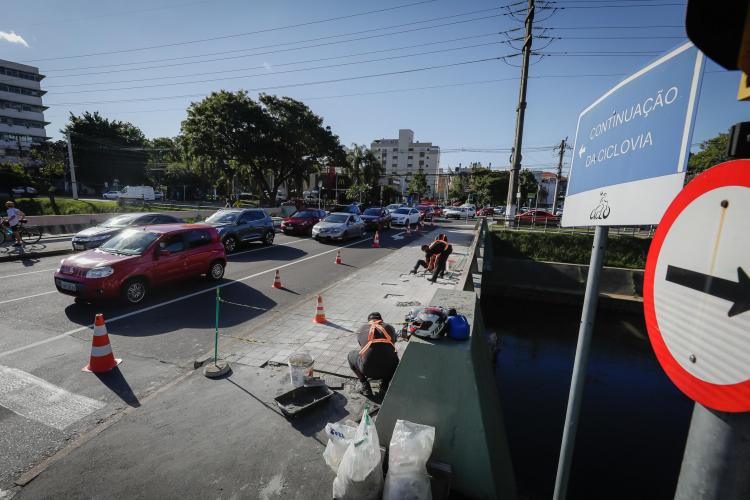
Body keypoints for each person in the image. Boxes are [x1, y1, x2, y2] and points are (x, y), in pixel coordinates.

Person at [347, 312, 399, 397]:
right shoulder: (390, 328)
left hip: (367, 370)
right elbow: (394, 341)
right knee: (391, 356)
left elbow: (362, 346)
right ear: (381, 320)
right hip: (391, 370)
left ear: (369, 321)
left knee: (350, 355)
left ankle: (365, 384)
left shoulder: (362, 329)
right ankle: (384, 384)